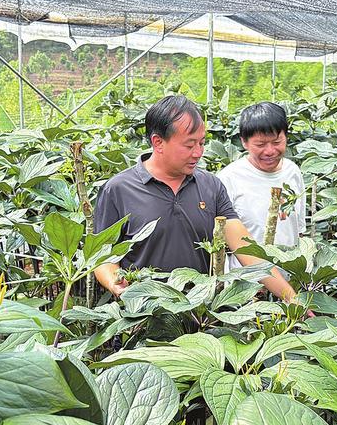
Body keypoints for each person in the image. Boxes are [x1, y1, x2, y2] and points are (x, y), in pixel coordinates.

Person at [93, 95, 297, 301]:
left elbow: (247, 251)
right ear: (158, 142)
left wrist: (292, 298)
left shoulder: (211, 186)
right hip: (142, 315)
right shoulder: (118, 190)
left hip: (199, 316)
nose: (198, 153)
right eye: (190, 145)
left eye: (201, 143)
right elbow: (103, 256)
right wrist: (115, 283)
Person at [217, 102, 305, 267]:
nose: (270, 151)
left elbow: (298, 231)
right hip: (247, 283)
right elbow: (221, 241)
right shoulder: (228, 179)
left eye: (277, 142)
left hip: (290, 279)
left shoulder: (292, 172)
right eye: (260, 144)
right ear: (244, 142)